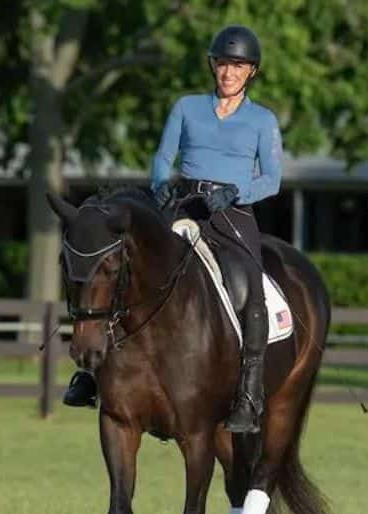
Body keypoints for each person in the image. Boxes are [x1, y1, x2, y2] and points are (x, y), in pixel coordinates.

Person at [62, 24, 282, 434]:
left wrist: (234, 192)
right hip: (182, 205)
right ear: (212, 66)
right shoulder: (186, 107)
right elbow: (164, 156)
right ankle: (91, 374)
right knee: (122, 270)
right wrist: (163, 189)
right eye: (222, 64)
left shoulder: (262, 120)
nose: (228, 73)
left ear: (251, 71)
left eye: (238, 66)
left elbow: (272, 179)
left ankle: (249, 394)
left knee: (249, 283)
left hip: (232, 214)